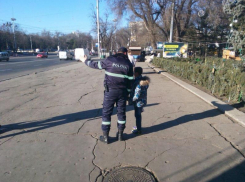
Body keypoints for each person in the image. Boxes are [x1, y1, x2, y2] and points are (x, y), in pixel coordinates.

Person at [79, 47, 134, 144]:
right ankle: (120, 135)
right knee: (121, 113)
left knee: (106, 113)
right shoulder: (128, 64)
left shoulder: (110, 60)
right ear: (125, 53)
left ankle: (105, 137)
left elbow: (95, 65)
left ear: (117, 52)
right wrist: (128, 93)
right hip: (122, 92)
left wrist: (85, 61)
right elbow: (130, 82)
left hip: (110, 92)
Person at [129, 67, 150, 135]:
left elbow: (137, 94)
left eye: (134, 72)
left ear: (137, 73)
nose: (133, 73)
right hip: (143, 101)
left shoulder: (137, 82)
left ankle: (138, 130)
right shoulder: (144, 81)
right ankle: (139, 127)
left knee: (137, 115)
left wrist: (131, 99)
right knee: (139, 115)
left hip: (137, 102)